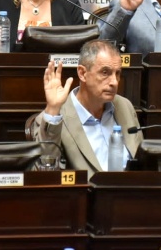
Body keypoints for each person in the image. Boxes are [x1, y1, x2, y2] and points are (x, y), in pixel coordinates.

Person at [33, 39, 142, 177]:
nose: (114, 82)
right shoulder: (56, 117)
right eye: (105, 72)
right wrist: (53, 109)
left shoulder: (124, 106)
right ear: (82, 73)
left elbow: (143, 161)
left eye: (117, 73)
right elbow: (44, 174)